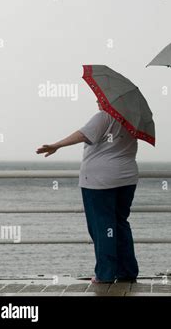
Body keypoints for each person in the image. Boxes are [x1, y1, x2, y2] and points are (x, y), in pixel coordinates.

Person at [36, 100, 139, 284]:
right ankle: (127, 271)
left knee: (103, 227)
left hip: (99, 181)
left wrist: (56, 145)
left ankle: (105, 274)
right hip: (127, 178)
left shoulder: (104, 116)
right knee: (120, 224)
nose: (97, 100)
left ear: (109, 99)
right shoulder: (132, 120)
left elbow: (83, 134)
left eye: (100, 98)